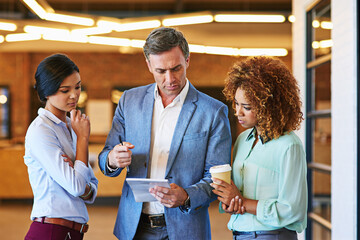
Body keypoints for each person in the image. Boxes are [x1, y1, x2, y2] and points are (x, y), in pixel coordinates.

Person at [98, 27, 232, 240]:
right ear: (149, 65)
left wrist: (187, 195)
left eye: (176, 68)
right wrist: (113, 159)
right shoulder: (129, 101)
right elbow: (105, 156)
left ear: (187, 60)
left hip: (186, 228)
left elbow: (217, 179)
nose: (170, 79)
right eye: (161, 71)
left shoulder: (213, 112)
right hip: (135, 227)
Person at [211, 56, 307, 240]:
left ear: (268, 106)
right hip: (240, 234)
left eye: (246, 107)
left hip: (272, 235)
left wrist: (244, 203)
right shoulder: (242, 140)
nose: (237, 112)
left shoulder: (289, 146)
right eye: (236, 103)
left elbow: (293, 210)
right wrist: (230, 202)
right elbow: (239, 197)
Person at [24, 53, 98, 240]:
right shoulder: (41, 130)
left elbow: (91, 190)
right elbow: (77, 187)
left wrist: (84, 186)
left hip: (73, 233)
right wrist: (82, 139)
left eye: (78, 87)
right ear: (47, 91)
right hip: (50, 231)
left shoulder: (71, 127)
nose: (74, 95)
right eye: (65, 90)